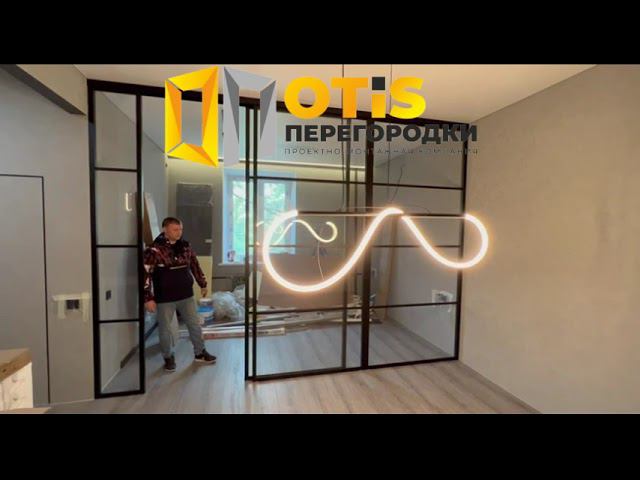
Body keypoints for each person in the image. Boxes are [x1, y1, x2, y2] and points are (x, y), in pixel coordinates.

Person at [144, 217, 217, 372]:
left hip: (186, 295)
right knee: (165, 329)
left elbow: (194, 264)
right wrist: (148, 298)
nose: (179, 232)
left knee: (194, 325)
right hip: (165, 297)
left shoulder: (185, 246)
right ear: (165, 230)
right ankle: (168, 357)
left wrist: (202, 283)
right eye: (175, 230)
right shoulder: (154, 250)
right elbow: (145, 275)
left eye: (180, 229)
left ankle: (200, 352)